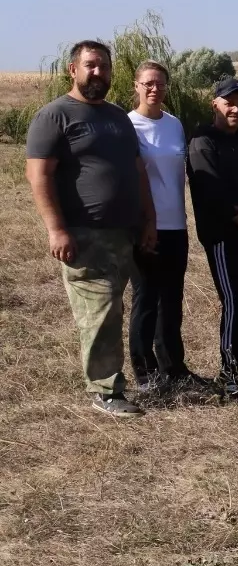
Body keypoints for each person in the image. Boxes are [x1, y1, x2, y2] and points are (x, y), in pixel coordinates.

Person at [26, 40, 156, 416]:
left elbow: (137, 172)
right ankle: (105, 391)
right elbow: (38, 176)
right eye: (90, 65)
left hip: (125, 233)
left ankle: (113, 382)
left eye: (104, 66)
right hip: (84, 234)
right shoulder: (55, 115)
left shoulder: (117, 117)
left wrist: (148, 220)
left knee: (113, 308)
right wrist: (57, 229)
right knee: (99, 313)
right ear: (73, 70)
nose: (98, 73)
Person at [188, 78, 238, 398]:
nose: (236, 108)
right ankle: (229, 372)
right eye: (229, 102)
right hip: (221, 236)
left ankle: (237, 365)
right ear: (216, 104)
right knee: (233, 301)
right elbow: (211, 191)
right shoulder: (202, 141)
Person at [127, 59, 200, 392]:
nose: (155, 89)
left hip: (176, 226)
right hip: (144, 227)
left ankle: (174, 367)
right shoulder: (127, 126)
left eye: (160, 84)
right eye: (148, 84)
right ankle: (145, 373)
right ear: (136, 86)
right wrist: (143, 224)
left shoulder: (174, 125)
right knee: (146, 299)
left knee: (172, 299)